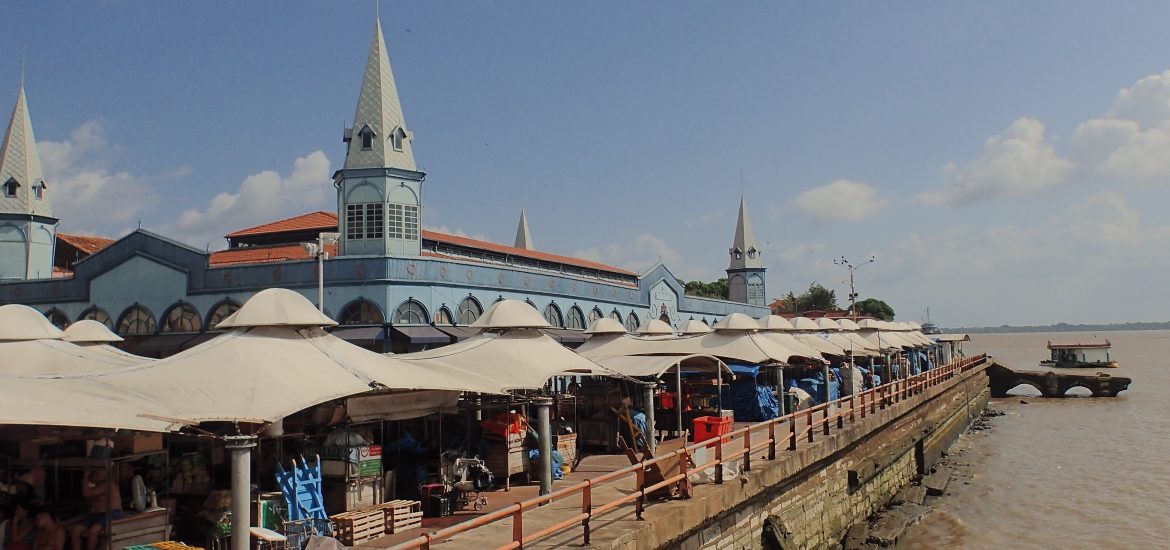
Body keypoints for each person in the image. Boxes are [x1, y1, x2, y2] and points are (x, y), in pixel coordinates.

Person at [70, 469, 122, 550]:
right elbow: (87, 492)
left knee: (93, 530)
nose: (96, 474)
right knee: (75, 530)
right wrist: (86, 476)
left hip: (112, 513)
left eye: (98, 472)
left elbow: (86, 493)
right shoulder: (94, 484)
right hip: (96, 514)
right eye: (95, 472)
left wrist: (86, 474)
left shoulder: (109, 484)